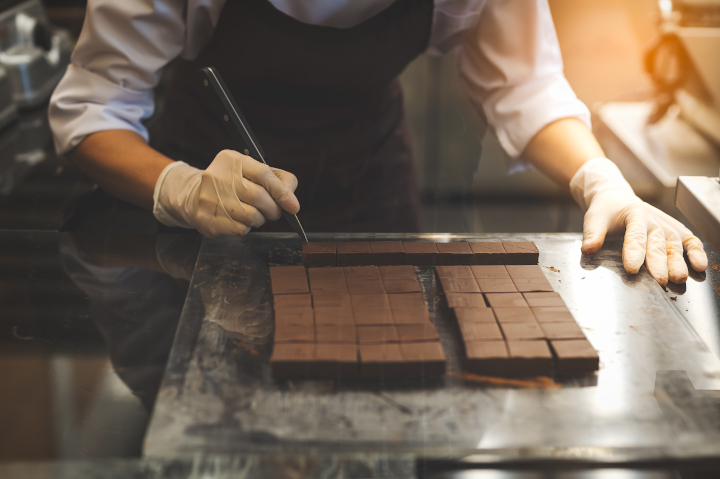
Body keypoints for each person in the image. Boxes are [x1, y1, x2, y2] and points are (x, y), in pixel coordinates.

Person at [49, 0, 707, 286]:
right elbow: (90, 110)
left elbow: (525, 85)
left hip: (371, 183)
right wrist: (181, 188)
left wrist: (601, 179)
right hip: (205, 199)